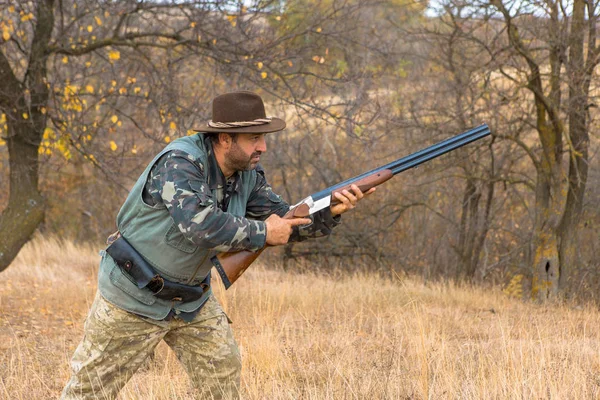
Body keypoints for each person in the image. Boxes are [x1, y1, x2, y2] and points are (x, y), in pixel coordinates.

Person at [61, 91, 373, 399]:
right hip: (132, 296)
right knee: (89, 392)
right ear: (224, 138)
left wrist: (329, 212)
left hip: (190, 300)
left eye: (262, 137)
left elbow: (284, 223)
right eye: (254, 138)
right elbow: (200, 226)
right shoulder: (180, 163)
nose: (263, 146)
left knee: (223, 374)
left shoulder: (247, 174)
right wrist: (263, 232)